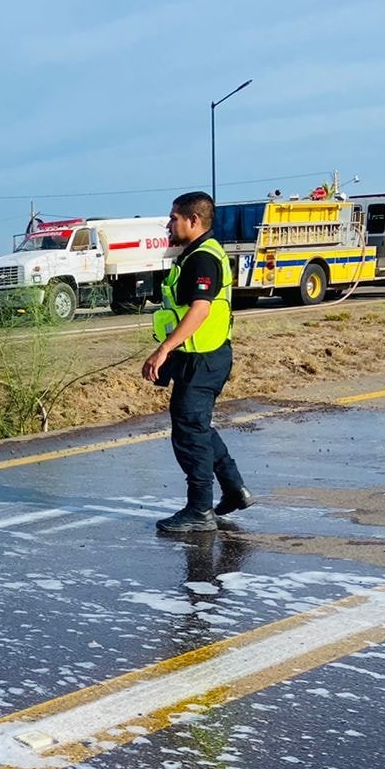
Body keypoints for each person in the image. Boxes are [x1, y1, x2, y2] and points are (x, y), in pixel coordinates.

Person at [141, 191, 251, 534]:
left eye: (174, 217)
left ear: (193, 220)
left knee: (189, 432)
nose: (169, 224)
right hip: (199, 355)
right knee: (198, 426)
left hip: (204, 358)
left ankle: (200, 510)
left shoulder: (202, 258)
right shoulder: (194, 255)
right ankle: (234, 490)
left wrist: (163, 349)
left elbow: (199, 310)